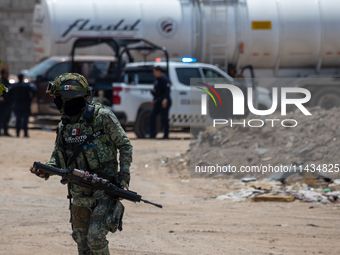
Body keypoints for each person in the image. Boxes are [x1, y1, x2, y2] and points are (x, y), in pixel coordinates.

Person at [30, 73, 133, 255]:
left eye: (58, 98)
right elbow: (58, 156)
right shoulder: (65, 125)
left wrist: (123, 178)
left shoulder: (102, 117)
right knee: (82, 243)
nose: (56, 102)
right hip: (78, 191)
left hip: (105, 188)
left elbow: (124, 145)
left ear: (69, 98)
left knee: (96, 238)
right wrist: (45, 170)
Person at [10, 72, 36, 137]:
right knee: (25, 120)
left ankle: (17, 133)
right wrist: (32, 97)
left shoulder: (14, 85)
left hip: (17, 104)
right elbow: (34, 90)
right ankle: (25, 133)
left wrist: (12, 100)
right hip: (25, 104)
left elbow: (9, 92)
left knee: (18, 119)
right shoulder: (26, 85)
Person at [150, 66, 171, 139]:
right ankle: (152, 134)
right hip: (158, 101)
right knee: (152, 115)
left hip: (164, 101)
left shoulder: (165, 79)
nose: (154, 73)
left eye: (155, 72)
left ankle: (166, 135)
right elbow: (156, 90)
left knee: (164, 118)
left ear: (159, 71)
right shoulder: (156, 80)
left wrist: (165, 99)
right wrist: (153, 99)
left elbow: (167, 91)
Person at [0, 69, 12, 136]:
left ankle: (5, 131)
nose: (7, 75)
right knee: (1, 118)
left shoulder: (7, 82)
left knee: (7, 118)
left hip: (8, 103)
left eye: (8, 73)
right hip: (1, 104)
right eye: (6, 73)